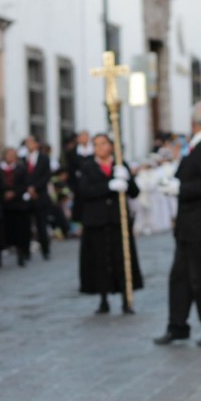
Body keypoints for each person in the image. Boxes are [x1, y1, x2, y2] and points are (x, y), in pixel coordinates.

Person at [153, 101, 201, 346]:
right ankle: (177, 326)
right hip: (190, 225)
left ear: (193, 121)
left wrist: (180, 188)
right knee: (180, 278)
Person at [78, 133, 143, 314]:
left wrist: (127, 180)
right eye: (96, 144)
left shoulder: (120, 165)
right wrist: (108, 186)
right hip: (97, 221)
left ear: (111, 146)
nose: (100, 148)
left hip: (117, 221)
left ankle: (126, 298)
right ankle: (103, 298)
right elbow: (84, 191)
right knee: (99, 260)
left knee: (122, 260)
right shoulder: (88, 167)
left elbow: (134, 192)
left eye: (104, 144)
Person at [0, 147, 32, 266]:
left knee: (20, 231)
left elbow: (25, 184)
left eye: (13, 155)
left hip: (18, 204)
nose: (11, 157)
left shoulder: (21, 169)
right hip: (5, 205)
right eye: (9, 154)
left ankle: (21, 254)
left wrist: (14, 192)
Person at [25, 135, 52, 260]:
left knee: (41, 224)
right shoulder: (23, 159)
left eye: (30, 142)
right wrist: (28, 189)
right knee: (26, 225)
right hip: (26, 196)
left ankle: (45, 250)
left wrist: (35, 188)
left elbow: (46, 176)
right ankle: (26, 251)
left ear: (36, 144)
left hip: (40, 195)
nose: (28, 145)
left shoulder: (44, 159)